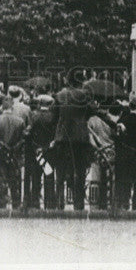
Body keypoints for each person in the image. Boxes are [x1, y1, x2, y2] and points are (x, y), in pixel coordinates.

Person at [53, 76, 92, 210]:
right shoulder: (84, 95)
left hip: (63, 136)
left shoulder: (59, 95)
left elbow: (54, 116)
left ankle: (59, 201)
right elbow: (91, 112)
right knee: (80, 171)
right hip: (79, 137)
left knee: (60, 171)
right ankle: (78, 203)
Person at [113, 95, 136, 210]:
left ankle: (125, 203)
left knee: (125, 180)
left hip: (125, 155)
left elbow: (117, 138)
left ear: (129, 107)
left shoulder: (122, 121)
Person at [0, 96, 26, 207]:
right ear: (12, 107)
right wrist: (14, 148)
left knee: (0, 181)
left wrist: (1, 148)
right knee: (15, 181)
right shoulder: (20, 121)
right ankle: (16, 203)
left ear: (1, 108)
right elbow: (23, 139)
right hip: (15, 155)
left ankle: (0, 204)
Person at [24, 94, 57, 209]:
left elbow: (28, 132)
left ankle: (35, 202)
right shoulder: (53, 117)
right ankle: (50, 202)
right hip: (49, 151)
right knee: (49, 175)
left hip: (36, 151)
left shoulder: (34, 116)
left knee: (36, 176)